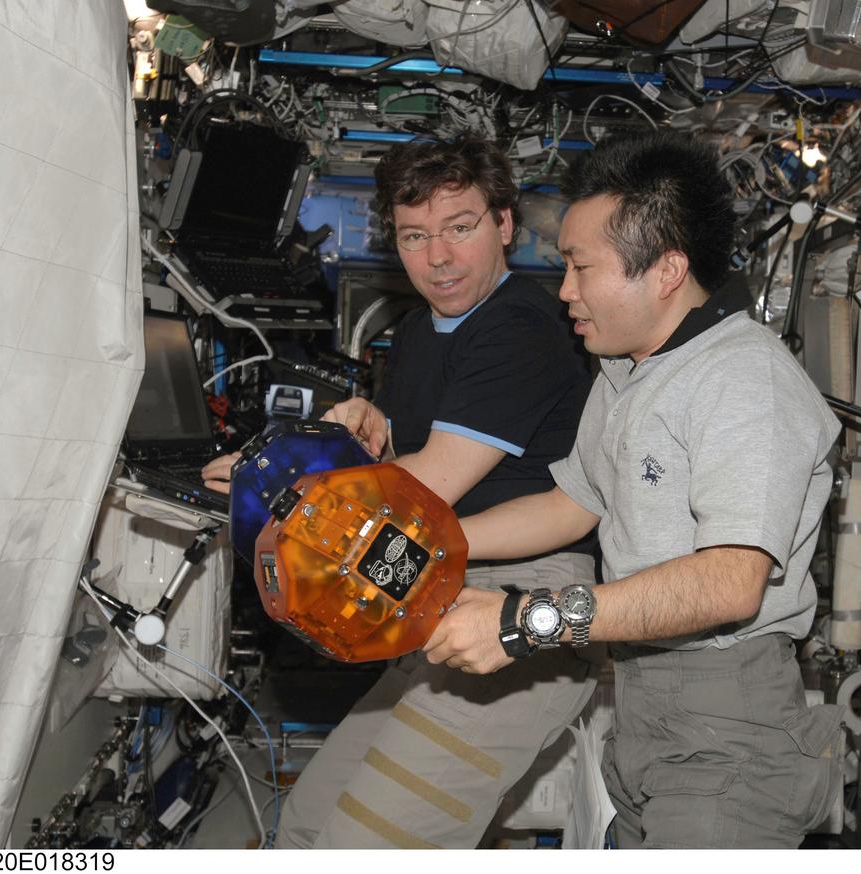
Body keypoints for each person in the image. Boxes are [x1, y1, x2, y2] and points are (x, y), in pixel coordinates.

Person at [424, 132, 845, 849]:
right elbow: (572, 505)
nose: (565, 292)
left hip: (728, 728)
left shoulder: (744, 379)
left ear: (666, 271)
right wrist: (435, 540)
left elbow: (729, 583)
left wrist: (527, 622)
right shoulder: (627, 372)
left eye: (582, 268)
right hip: (646, 704)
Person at [202, 134, 599, 848]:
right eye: (415, 237)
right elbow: (403, 449)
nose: (438, 257)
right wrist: (367, 423)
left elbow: (433, 483)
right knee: (305, 829)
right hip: (434, 604)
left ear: (504, 225)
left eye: (460, 228)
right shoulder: (422, 329)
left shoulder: (519, 328)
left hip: (516, 609)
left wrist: (278, 477)